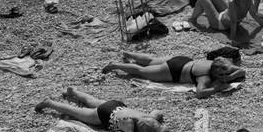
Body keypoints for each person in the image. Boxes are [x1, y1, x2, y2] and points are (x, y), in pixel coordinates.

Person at [34, 86, 166, 132]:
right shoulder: (129, 124)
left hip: (116, 105)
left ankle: (74, 91)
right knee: (75, 112)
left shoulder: (148, 118)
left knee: (91, 100)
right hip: (103, 115)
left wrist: (157, 120)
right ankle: (50, 103)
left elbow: (157, 112)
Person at [104, 51, 245, 98]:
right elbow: (200, 93)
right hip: (173, 71)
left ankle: (127, 53)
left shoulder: (218, 63)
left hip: (183, 60)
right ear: (216, 73)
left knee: (152, 60)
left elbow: (242, 71)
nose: (225, 76)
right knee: (142, 72)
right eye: (223, 75)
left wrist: (231, 77)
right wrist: (216, 88)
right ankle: (115, 65)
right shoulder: (205, 76)